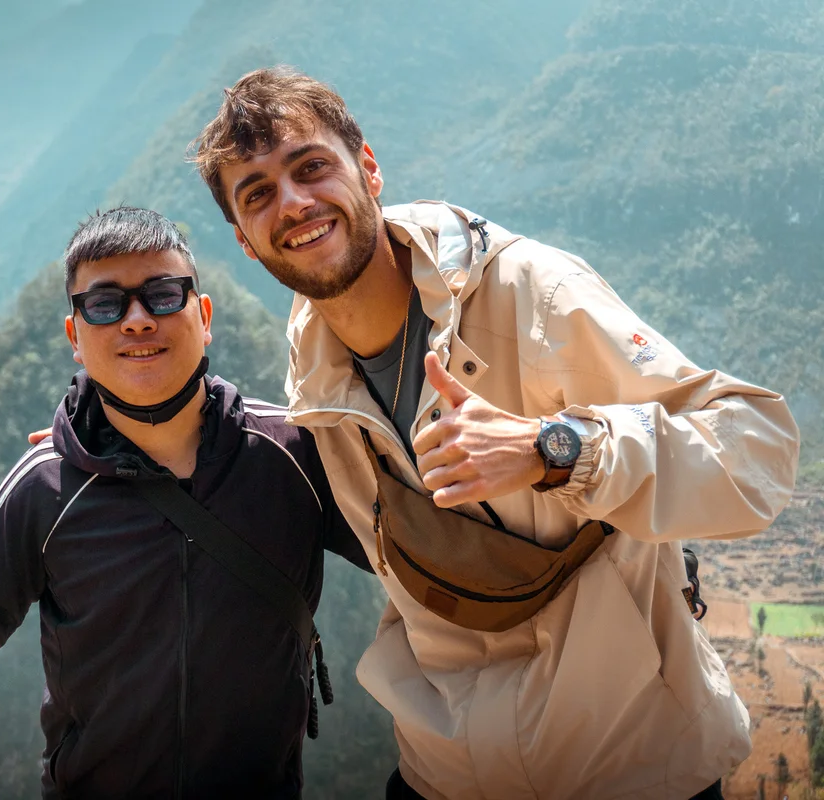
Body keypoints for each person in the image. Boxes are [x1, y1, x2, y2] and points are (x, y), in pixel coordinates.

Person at [190, 66, 801, 799]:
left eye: (311, 167)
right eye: (258, 194)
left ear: (370, 169)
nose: (293, 203)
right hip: (443, 773)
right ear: (246, 242)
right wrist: (115, 448)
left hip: (632, 766)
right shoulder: (312, 366)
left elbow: (756, 447)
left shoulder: (529, 295)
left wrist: (554, 451)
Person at [0, 206, 371, 799]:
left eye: (162, 295)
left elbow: (415, 557)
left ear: (203, 315)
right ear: (74, 336)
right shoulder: (46, 488)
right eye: (105, 305)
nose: (136, 320)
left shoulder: (294, 455)